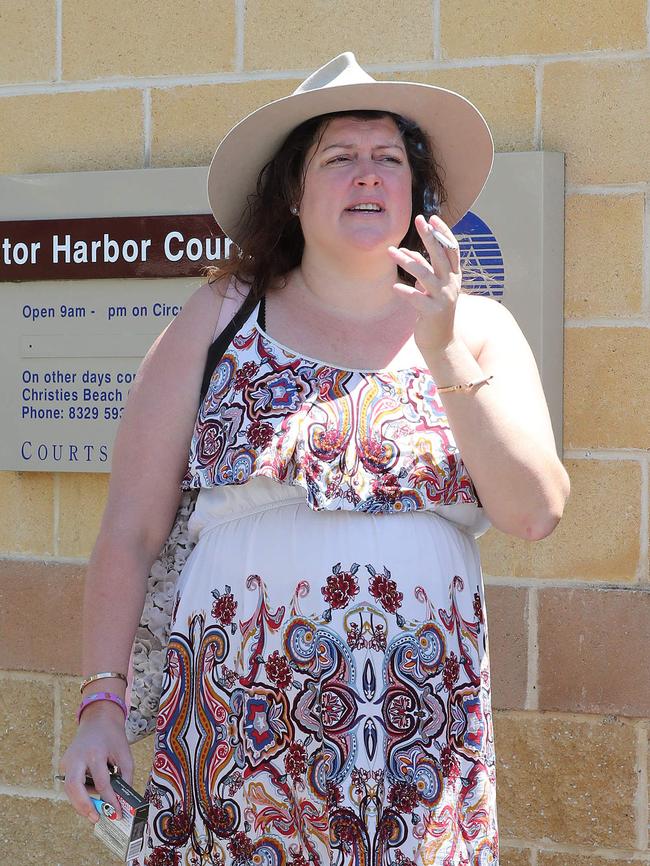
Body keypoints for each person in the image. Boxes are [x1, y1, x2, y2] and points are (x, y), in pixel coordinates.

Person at [61, 52, 569, 865]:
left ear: (415, 193)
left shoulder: (478, 331)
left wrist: (441, 352)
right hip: (238, 728)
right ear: (293, 194)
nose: (366, 176)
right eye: (339, 158)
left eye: (388, 159)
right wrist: (100, 703)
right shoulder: (221, 317)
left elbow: (535, 511)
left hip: (416, 738)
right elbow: (130, 528)